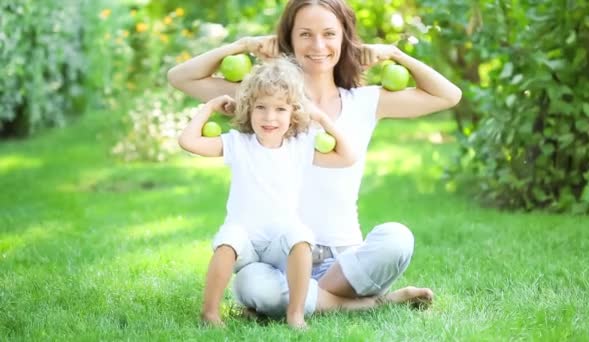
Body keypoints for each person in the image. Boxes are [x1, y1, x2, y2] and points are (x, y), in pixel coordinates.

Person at [168, 0, 461, 319]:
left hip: (343, 259)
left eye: (329, 34)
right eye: (305, 34)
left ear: (345, 40)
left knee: (397, 239)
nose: (318, 45)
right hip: (280, 256)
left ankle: (298, 302)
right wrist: (241, 46)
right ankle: (372, 303)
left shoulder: (365, 101)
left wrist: (395, 55)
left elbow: (448, 95)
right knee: (254, 284)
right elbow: (180, 77)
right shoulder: (270, 101)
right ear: (289, 40)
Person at [177, 57, 356, 328]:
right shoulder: (238, 143)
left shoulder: (301, 145)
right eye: (260, 107)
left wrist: (321, 117)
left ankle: (295, 313)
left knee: (302, 236)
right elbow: (188, 141)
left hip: (277, 243)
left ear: (294, 112)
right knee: (228, 240)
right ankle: (210, 313)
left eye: (280, 109)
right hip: (245, 241)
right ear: (248, 109)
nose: (269, 117)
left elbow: (348, 157)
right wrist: (211, 107)